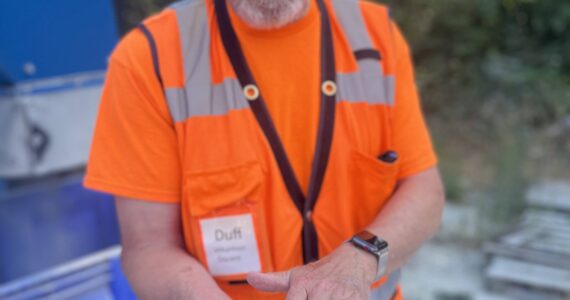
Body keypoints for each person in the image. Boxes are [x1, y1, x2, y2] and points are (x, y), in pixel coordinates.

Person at [84, 0, 445, 298]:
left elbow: (423, 187)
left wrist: (361, 259)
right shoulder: (150, 59)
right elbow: (148, 247)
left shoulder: (373, 34)